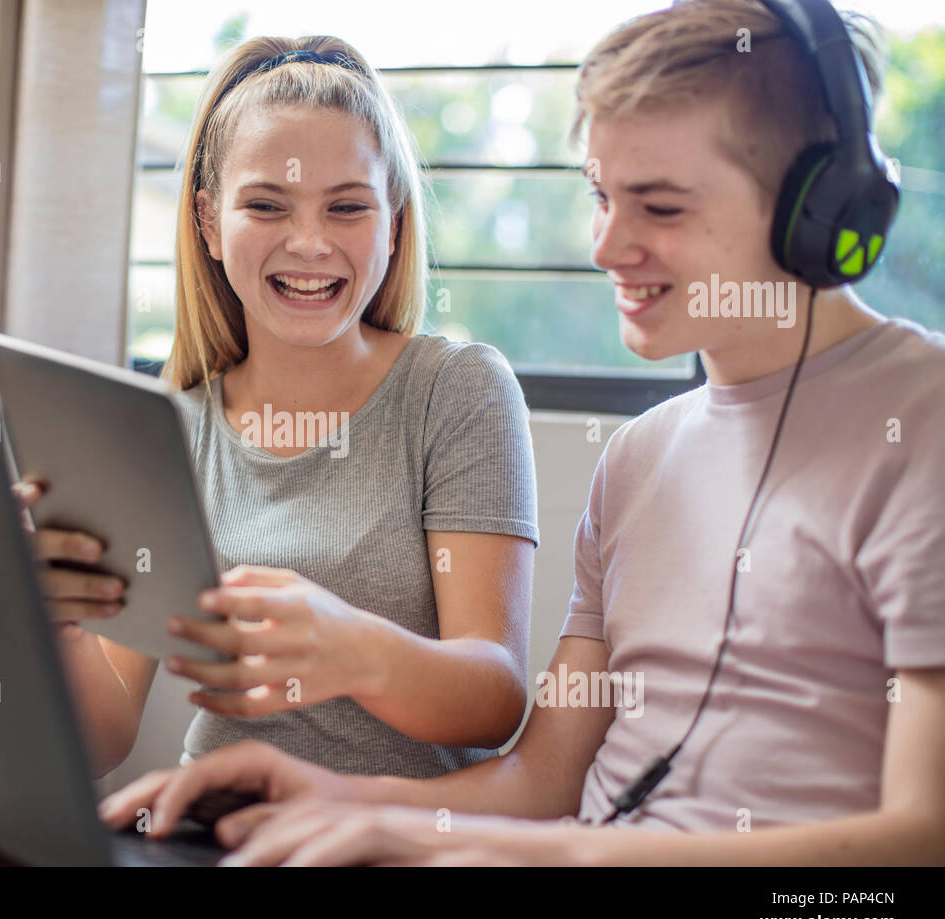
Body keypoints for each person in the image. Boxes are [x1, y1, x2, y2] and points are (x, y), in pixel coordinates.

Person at [98, 0, 945, 866]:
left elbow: (922, 841)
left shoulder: (925, 423)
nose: (607, 246)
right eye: (601, 197)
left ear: (819, 205)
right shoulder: (640, 459)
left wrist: (560, 858)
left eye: (658, 205)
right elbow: (544, 785)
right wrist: (342, 806)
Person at [0, 35, 539, 865]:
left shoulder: (457, 390)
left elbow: (495, 695)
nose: (312, 243)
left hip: (378, 838)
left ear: (394, 221)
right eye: (268, 206)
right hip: (205, 828)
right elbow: (104, 733)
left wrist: (351, 649)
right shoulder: (166, 428)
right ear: (210, 222)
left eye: (348, 207)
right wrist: (54, 625)